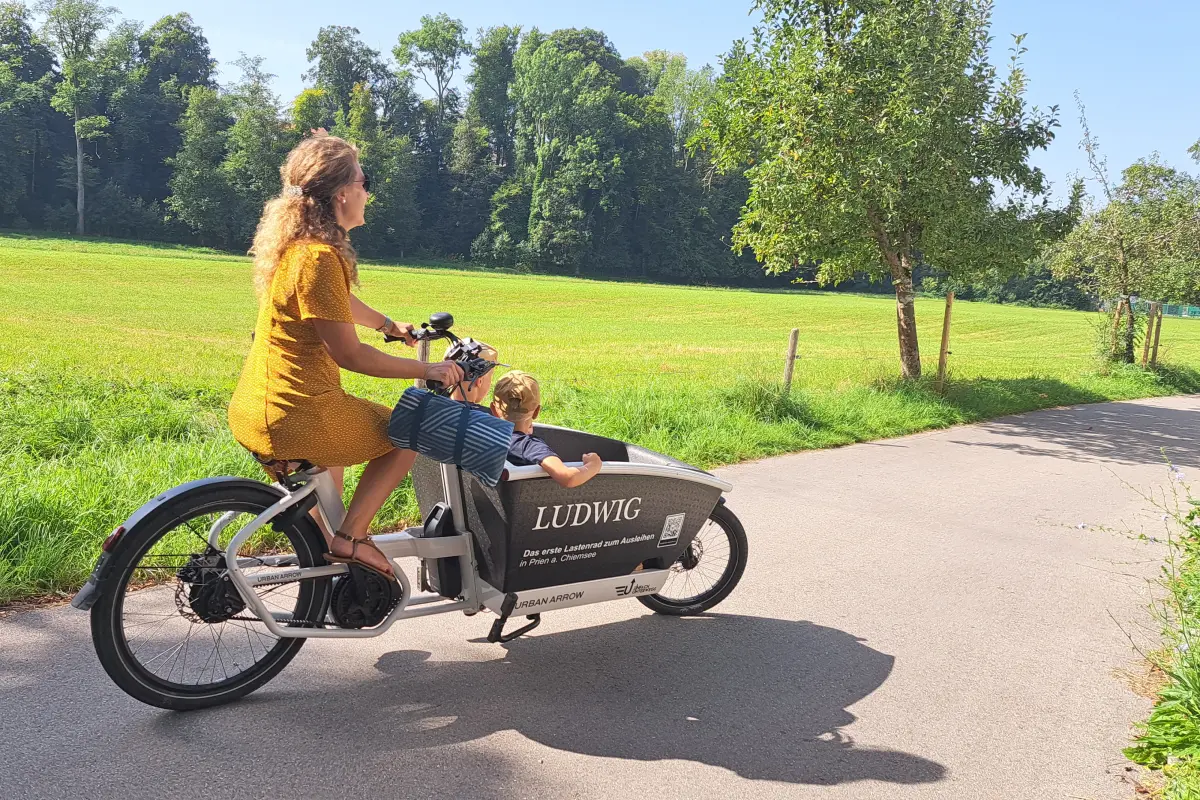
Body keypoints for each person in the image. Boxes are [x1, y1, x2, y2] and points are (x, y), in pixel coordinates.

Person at [227, 133, 464, 579]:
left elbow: (334, 305)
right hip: (296, 413)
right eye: (363, 181)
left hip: (256, 408)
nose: (368, 193)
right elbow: (350, 355)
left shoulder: (294, 251)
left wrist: (387, 325)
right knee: (410, 430)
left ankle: (325, 578)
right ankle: (351, 539)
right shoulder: (318, 257)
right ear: (342, 194)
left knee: (327, 490)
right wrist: (428, 368)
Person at [490, 370, 602, 488]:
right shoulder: (528, 446)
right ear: (537, 411)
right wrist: (593, 465)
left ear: (493, 409)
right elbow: (568, 477)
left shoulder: (484, 434)